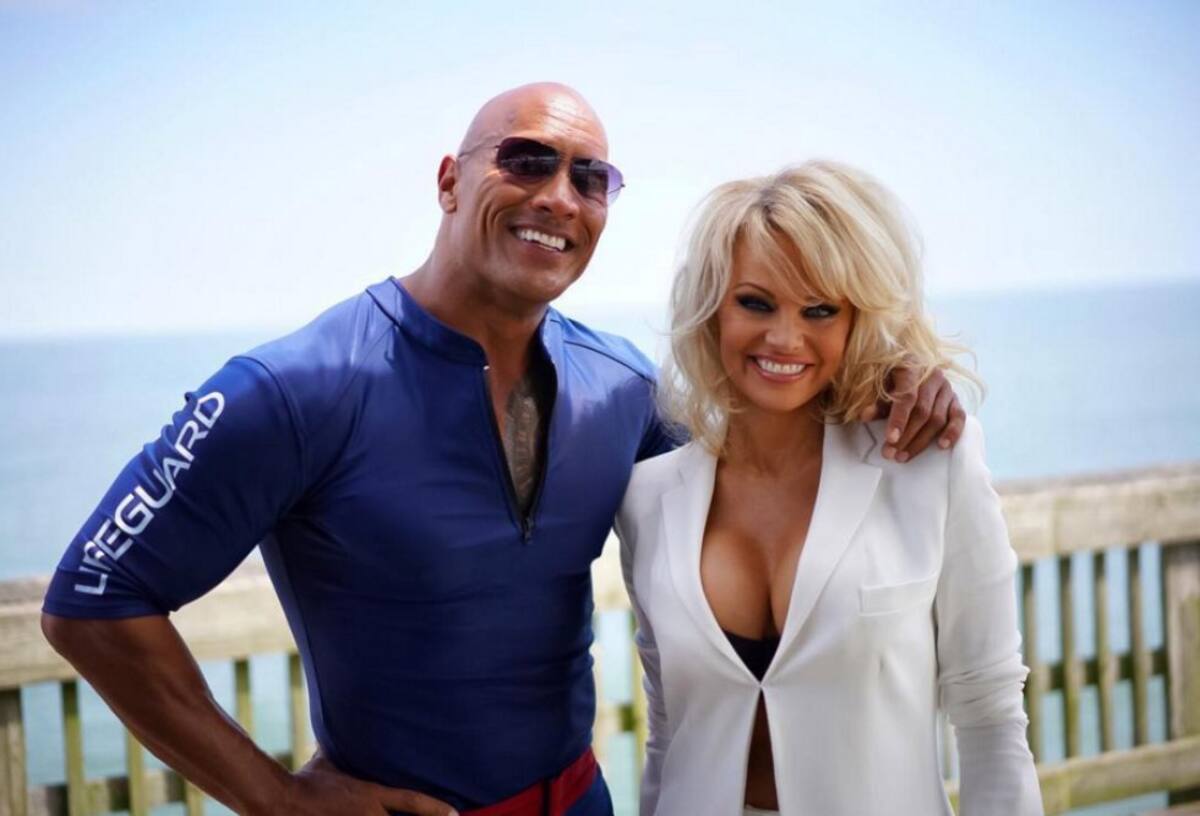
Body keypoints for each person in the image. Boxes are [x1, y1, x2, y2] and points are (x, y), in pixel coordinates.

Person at [39, 85, 964, 816]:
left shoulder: (623, 390)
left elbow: (764, 459)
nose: (558, 196)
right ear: (449, 181)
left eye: (590, 178)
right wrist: (274, 798)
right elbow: (92, 602)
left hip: (583, 801)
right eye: (526, 160)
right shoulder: (294, 389)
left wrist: (890, 381)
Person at [616, 161, 1043, 815]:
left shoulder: (929, 466)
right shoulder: (647, 498)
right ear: (712, 309)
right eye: (755, 302)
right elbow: (670, 735)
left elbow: (990, 717)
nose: (785, 338)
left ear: (854, 321)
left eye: (819, 310)